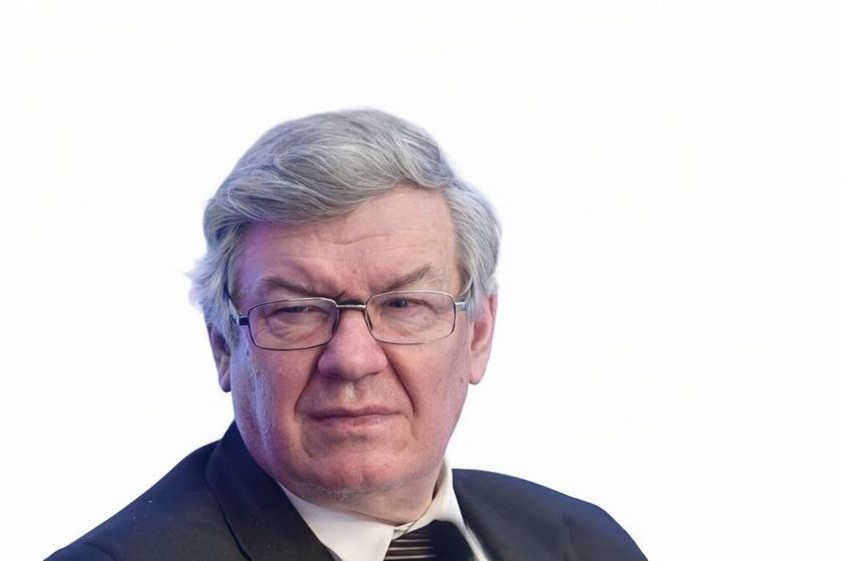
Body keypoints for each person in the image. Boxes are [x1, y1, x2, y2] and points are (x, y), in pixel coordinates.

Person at [46, 109, 646, 561]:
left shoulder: (586, 543)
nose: (352, 359)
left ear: (478, 334)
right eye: (296, 310)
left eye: (404, 304)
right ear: (224, 345)